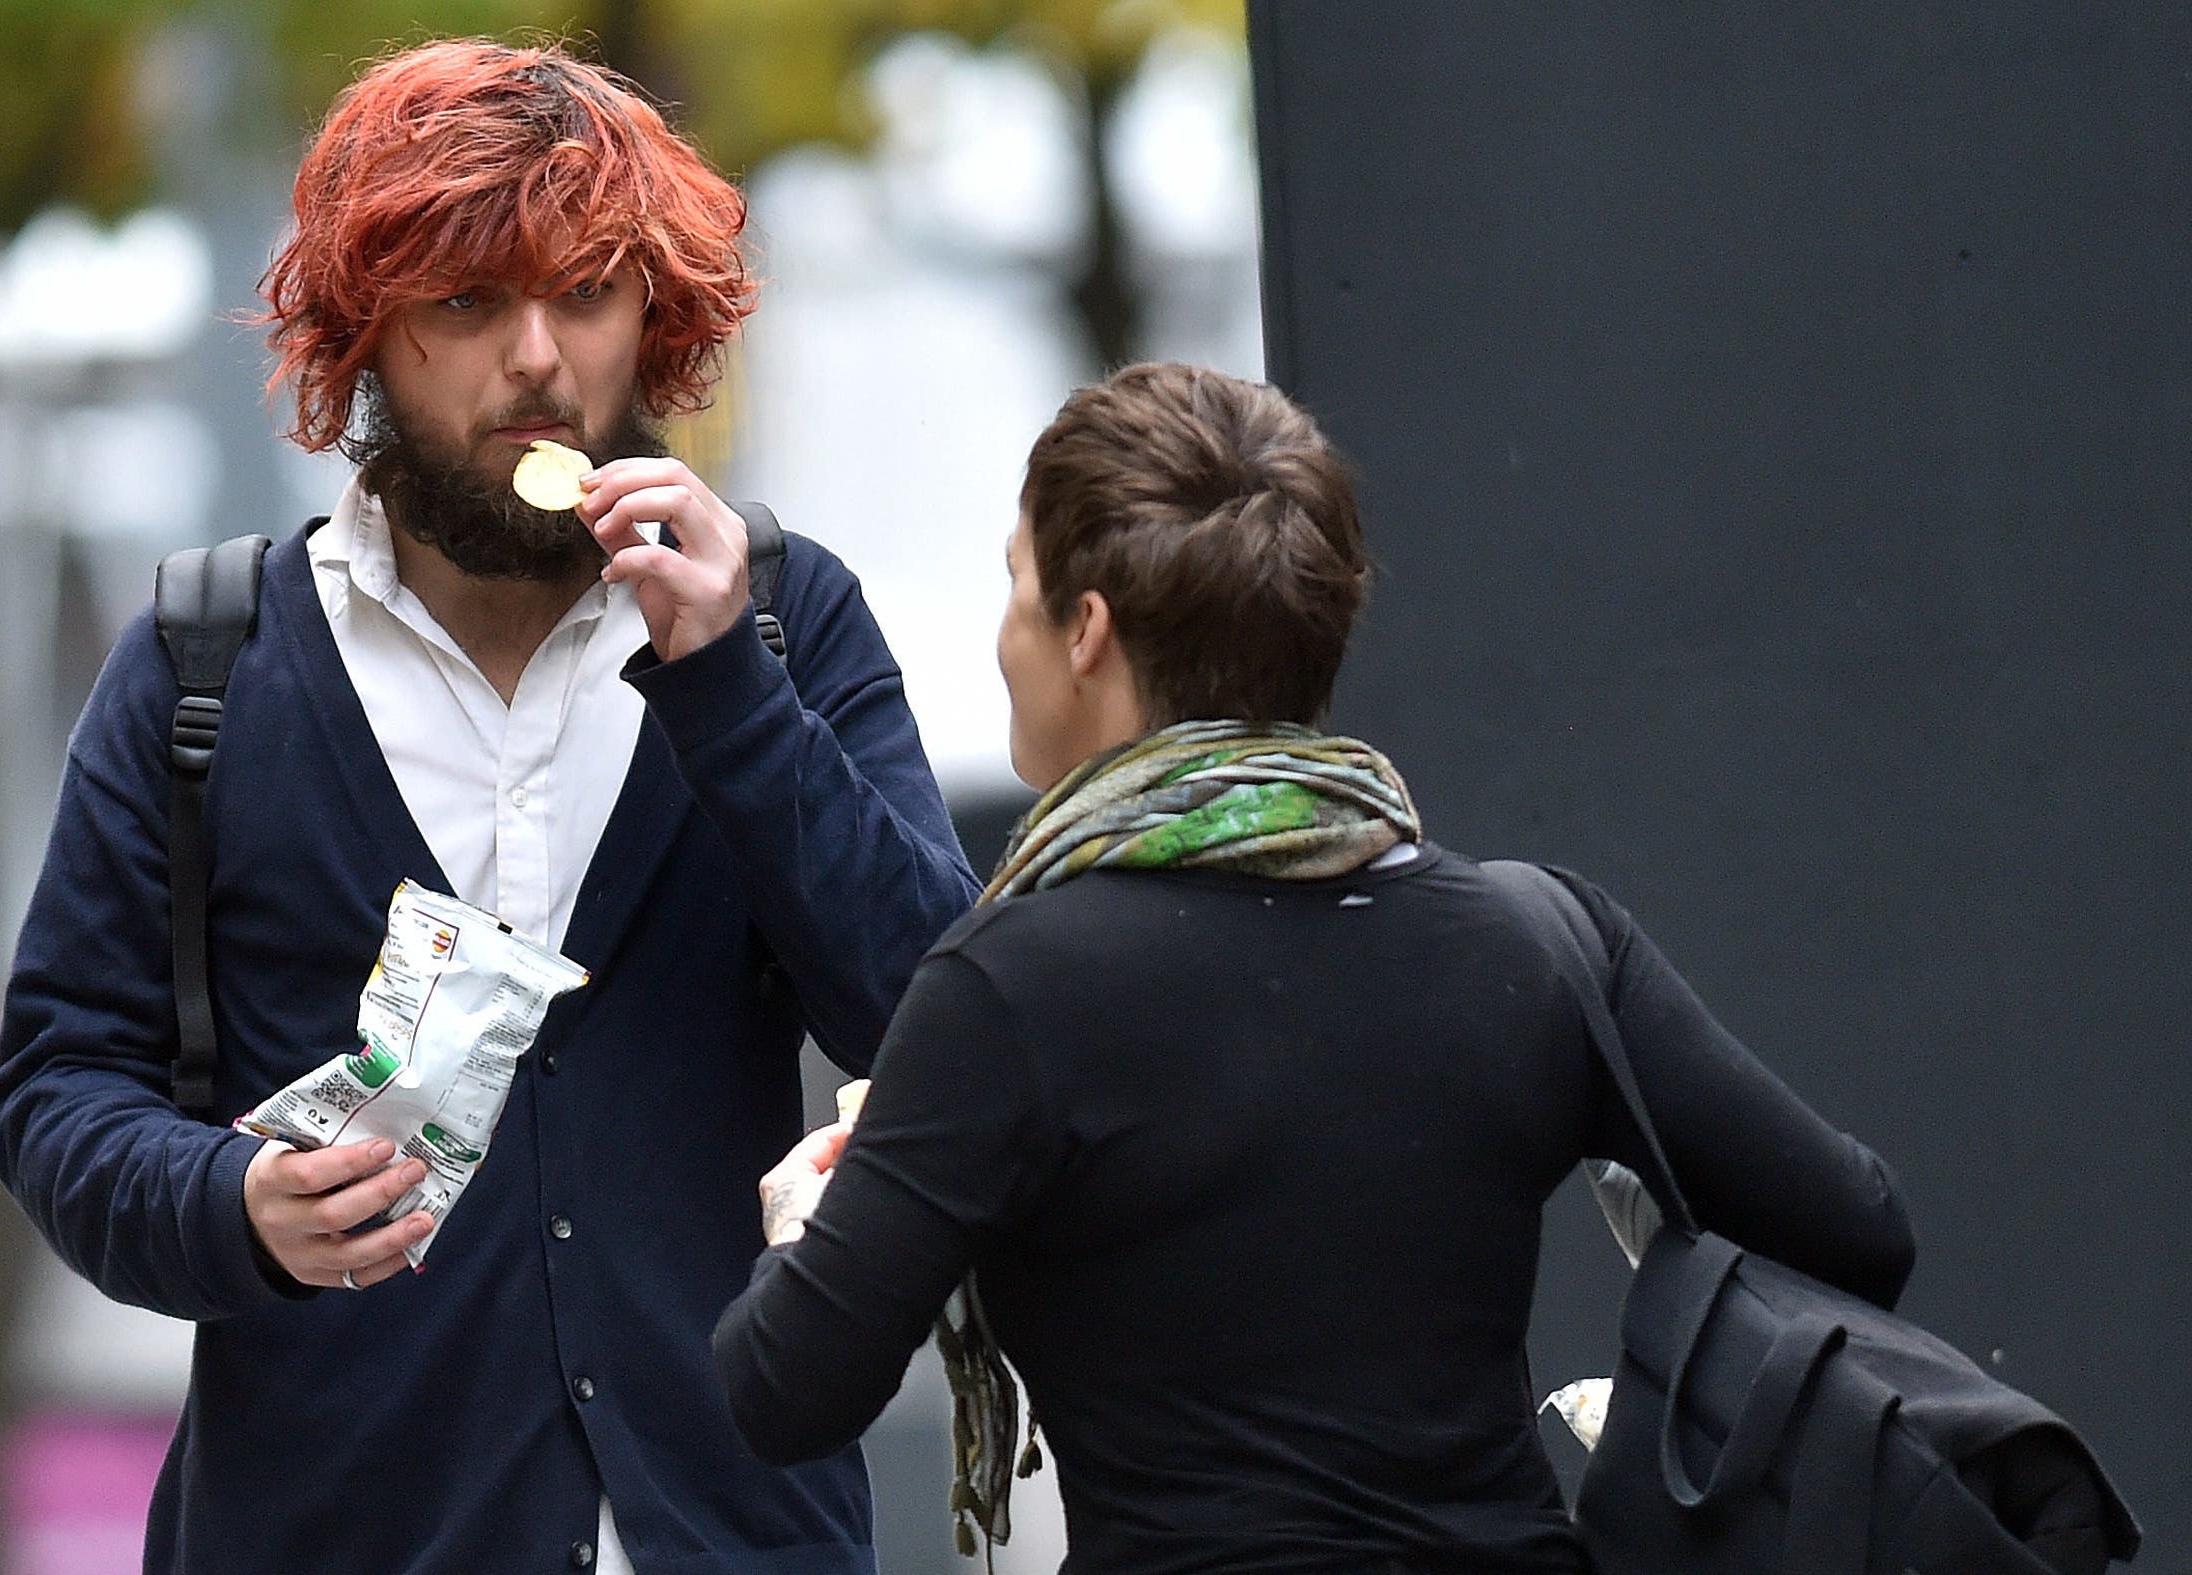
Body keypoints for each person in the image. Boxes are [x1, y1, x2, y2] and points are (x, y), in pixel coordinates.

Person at [0, 39, 977, 1575]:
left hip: (725, 1526)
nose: (538, 359)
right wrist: (232, 1201)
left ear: (657, 317)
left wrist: (721, 684)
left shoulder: (780, 620)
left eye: (586, 294)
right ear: (365, 336)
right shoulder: (208, 661)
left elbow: (933, 1027)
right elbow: (56, 1092)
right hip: (331, 1523)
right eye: (467, 304)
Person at [713, 362, 1916, 1573]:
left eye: (1017, 588)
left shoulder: (1011, 987)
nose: (1004, 635)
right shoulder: (1537, 937)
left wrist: (813, 1224)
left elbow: (784, 1392)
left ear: (1086, 633)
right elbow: (1856, 1230)